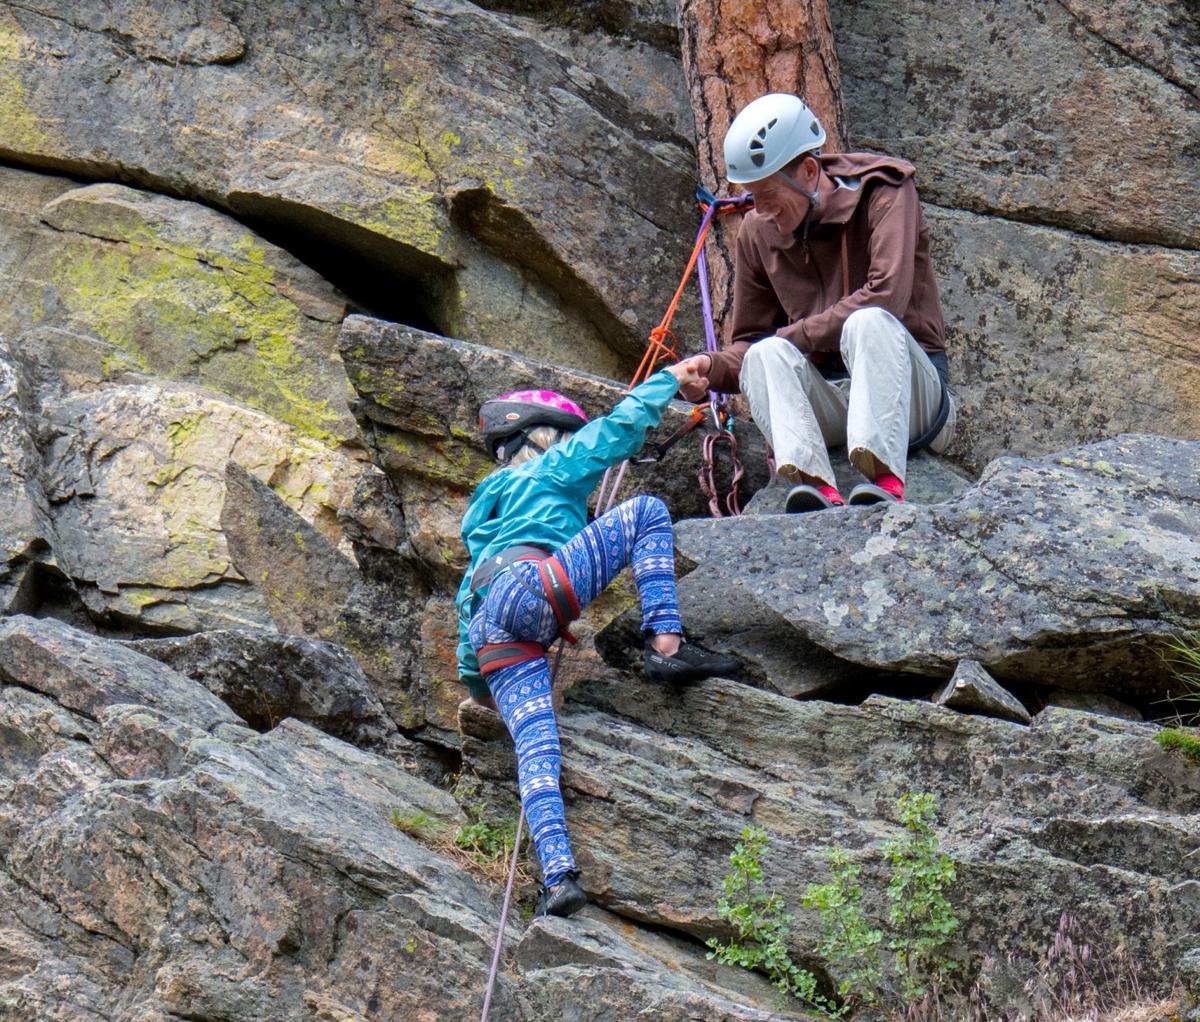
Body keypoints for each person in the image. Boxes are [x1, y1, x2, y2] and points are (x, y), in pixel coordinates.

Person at [455, 363, 739, 918]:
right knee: (647, 511)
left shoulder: (484, 517)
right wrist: (671, 377)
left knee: (536, 749)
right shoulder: (546, 472)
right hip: (532, 588)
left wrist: (477, 685)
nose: (565, 444)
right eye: (559, 436)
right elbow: (619, 430)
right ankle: (667, 646)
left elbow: (469, 612)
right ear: (541, 438)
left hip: (492, 627)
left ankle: (558, 879)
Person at [677, 93, 955, 513]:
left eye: (768, 195)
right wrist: (711, 368)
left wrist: (796, 335)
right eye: (752, 196)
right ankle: (814, 488)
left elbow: (888, 294)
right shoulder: (757, 232)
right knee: (766, 353)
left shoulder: (885, 190)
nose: (761, 210)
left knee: (869, 322)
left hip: (911, 397)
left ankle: (884, 481)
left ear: (809, 171)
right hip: (830, 400)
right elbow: (751, 343)